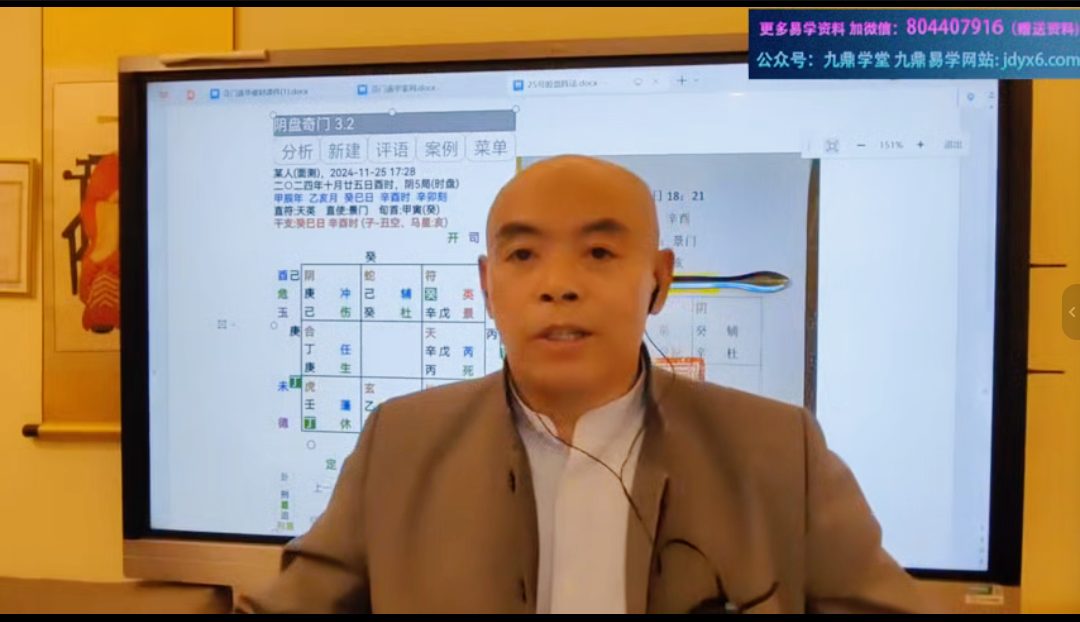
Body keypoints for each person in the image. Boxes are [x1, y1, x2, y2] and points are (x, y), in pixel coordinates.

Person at [237, 155, 930, 613]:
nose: (559, 285)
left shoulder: (777, 448)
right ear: (487, 284)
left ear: (658, 279)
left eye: (599, 252)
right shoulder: (401, 440)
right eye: (523, 254)